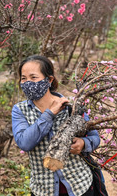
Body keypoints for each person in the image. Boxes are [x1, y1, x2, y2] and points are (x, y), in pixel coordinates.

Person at [11, 55, 100, 196]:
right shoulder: (20, 110)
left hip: (80, 186)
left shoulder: (71, 106)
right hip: (44, 190)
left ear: (49, 80)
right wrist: (49, 114)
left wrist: (84, 143)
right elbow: (24, 143)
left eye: (33, 78)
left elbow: (95, 137)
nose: (28, 83)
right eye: (24, 78)